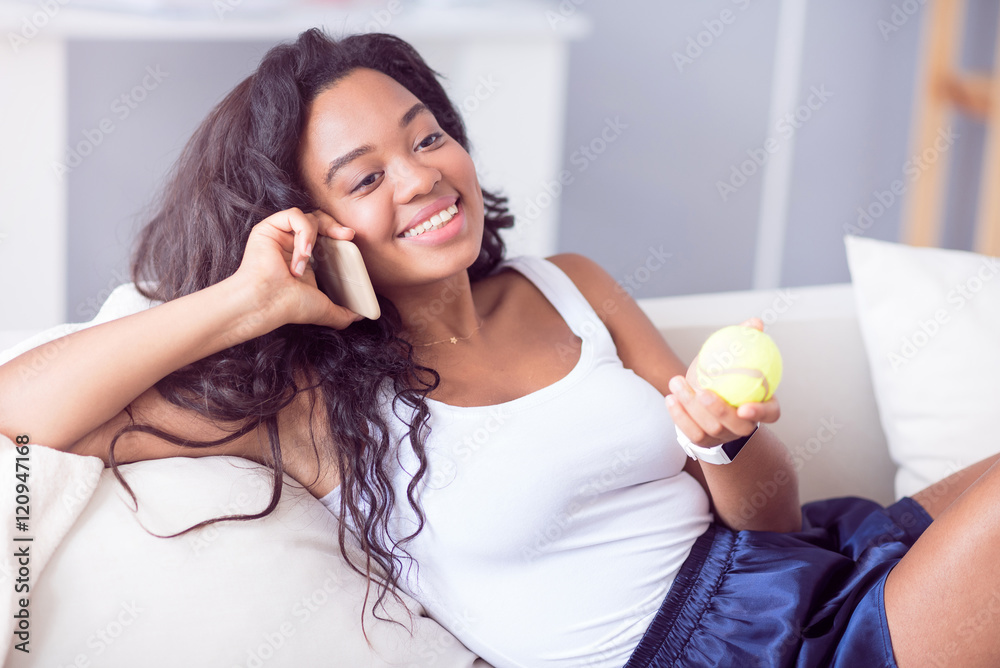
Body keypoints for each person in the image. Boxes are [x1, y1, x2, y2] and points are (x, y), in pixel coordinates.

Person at [1, 27, 998, 668]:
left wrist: (725, 443)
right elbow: (22, 406)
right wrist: (247, 298)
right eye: (364, 176)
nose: (424, 177)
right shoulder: (316, 411)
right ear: (309, 223)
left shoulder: (570, 282)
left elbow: (766, 523)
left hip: (800, 570)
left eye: (426, 136)